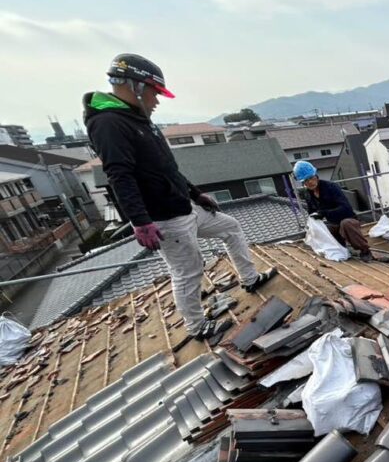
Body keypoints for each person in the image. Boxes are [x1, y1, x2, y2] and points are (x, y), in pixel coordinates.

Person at [84, 53, 276, 340]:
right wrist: (140, 221)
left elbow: (166, 168)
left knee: (231, 227)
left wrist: (197, 195)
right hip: (165, 218)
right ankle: (197, 327)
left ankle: (250, 279)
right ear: (136, 86)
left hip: (184, 207)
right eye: (154, 93)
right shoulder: (110, 123)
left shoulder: (138, 119)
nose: (156, 101)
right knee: (188, 270)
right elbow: (119, 175)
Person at [295, 161, 372, 260]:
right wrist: (315, 218)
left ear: (316, 175)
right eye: (306, 180)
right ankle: (341, 247)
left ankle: (365, 250)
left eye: (311, 178)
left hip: (348, 219)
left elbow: (346, 209)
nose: (310, 182)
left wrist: (324, 213)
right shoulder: (308, 194)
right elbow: (311, 212)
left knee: (346, 224)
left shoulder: (331, 187)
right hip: (332, 223)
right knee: (322, 229)